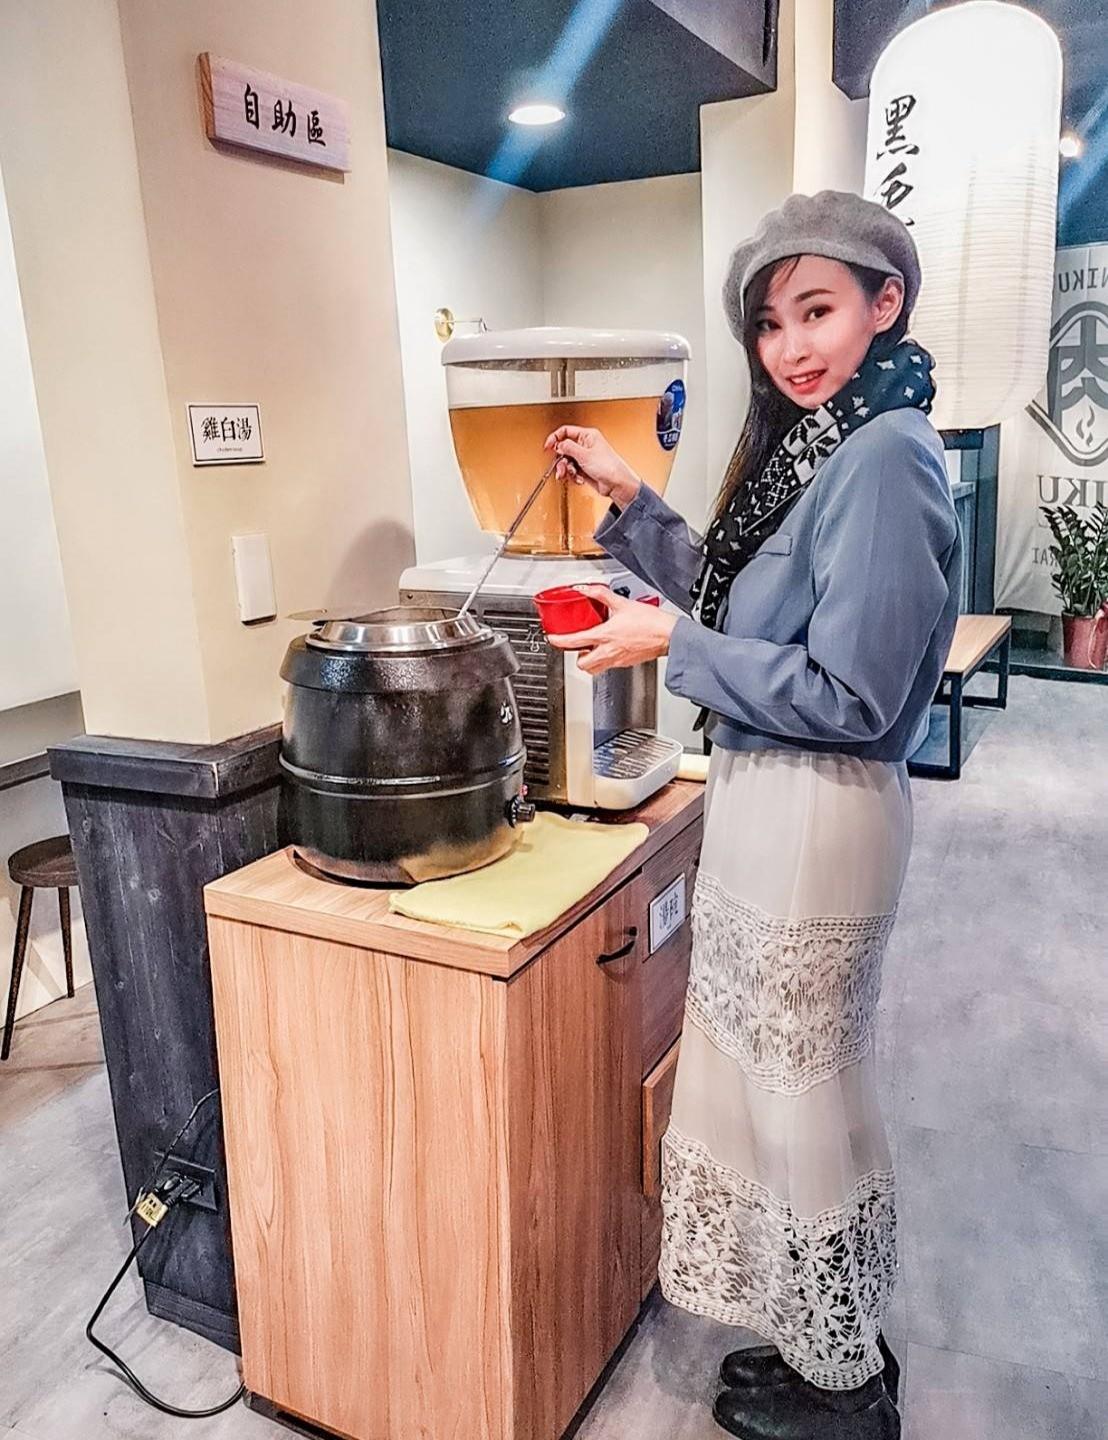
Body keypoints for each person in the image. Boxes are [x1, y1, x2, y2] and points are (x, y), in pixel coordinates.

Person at [543, 190, 961, 1440]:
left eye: (816, 311)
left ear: (885, 304)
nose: (790, 346)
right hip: (771, 795)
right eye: (770, 323)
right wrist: (631, 499)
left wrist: (668, 645)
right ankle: (816, 1337)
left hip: (820, 810)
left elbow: (851, 693)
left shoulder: (884, 454)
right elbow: (739, 602)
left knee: (800, 1090)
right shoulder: (823, 443)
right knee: (779, 1082)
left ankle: (847, 1388)